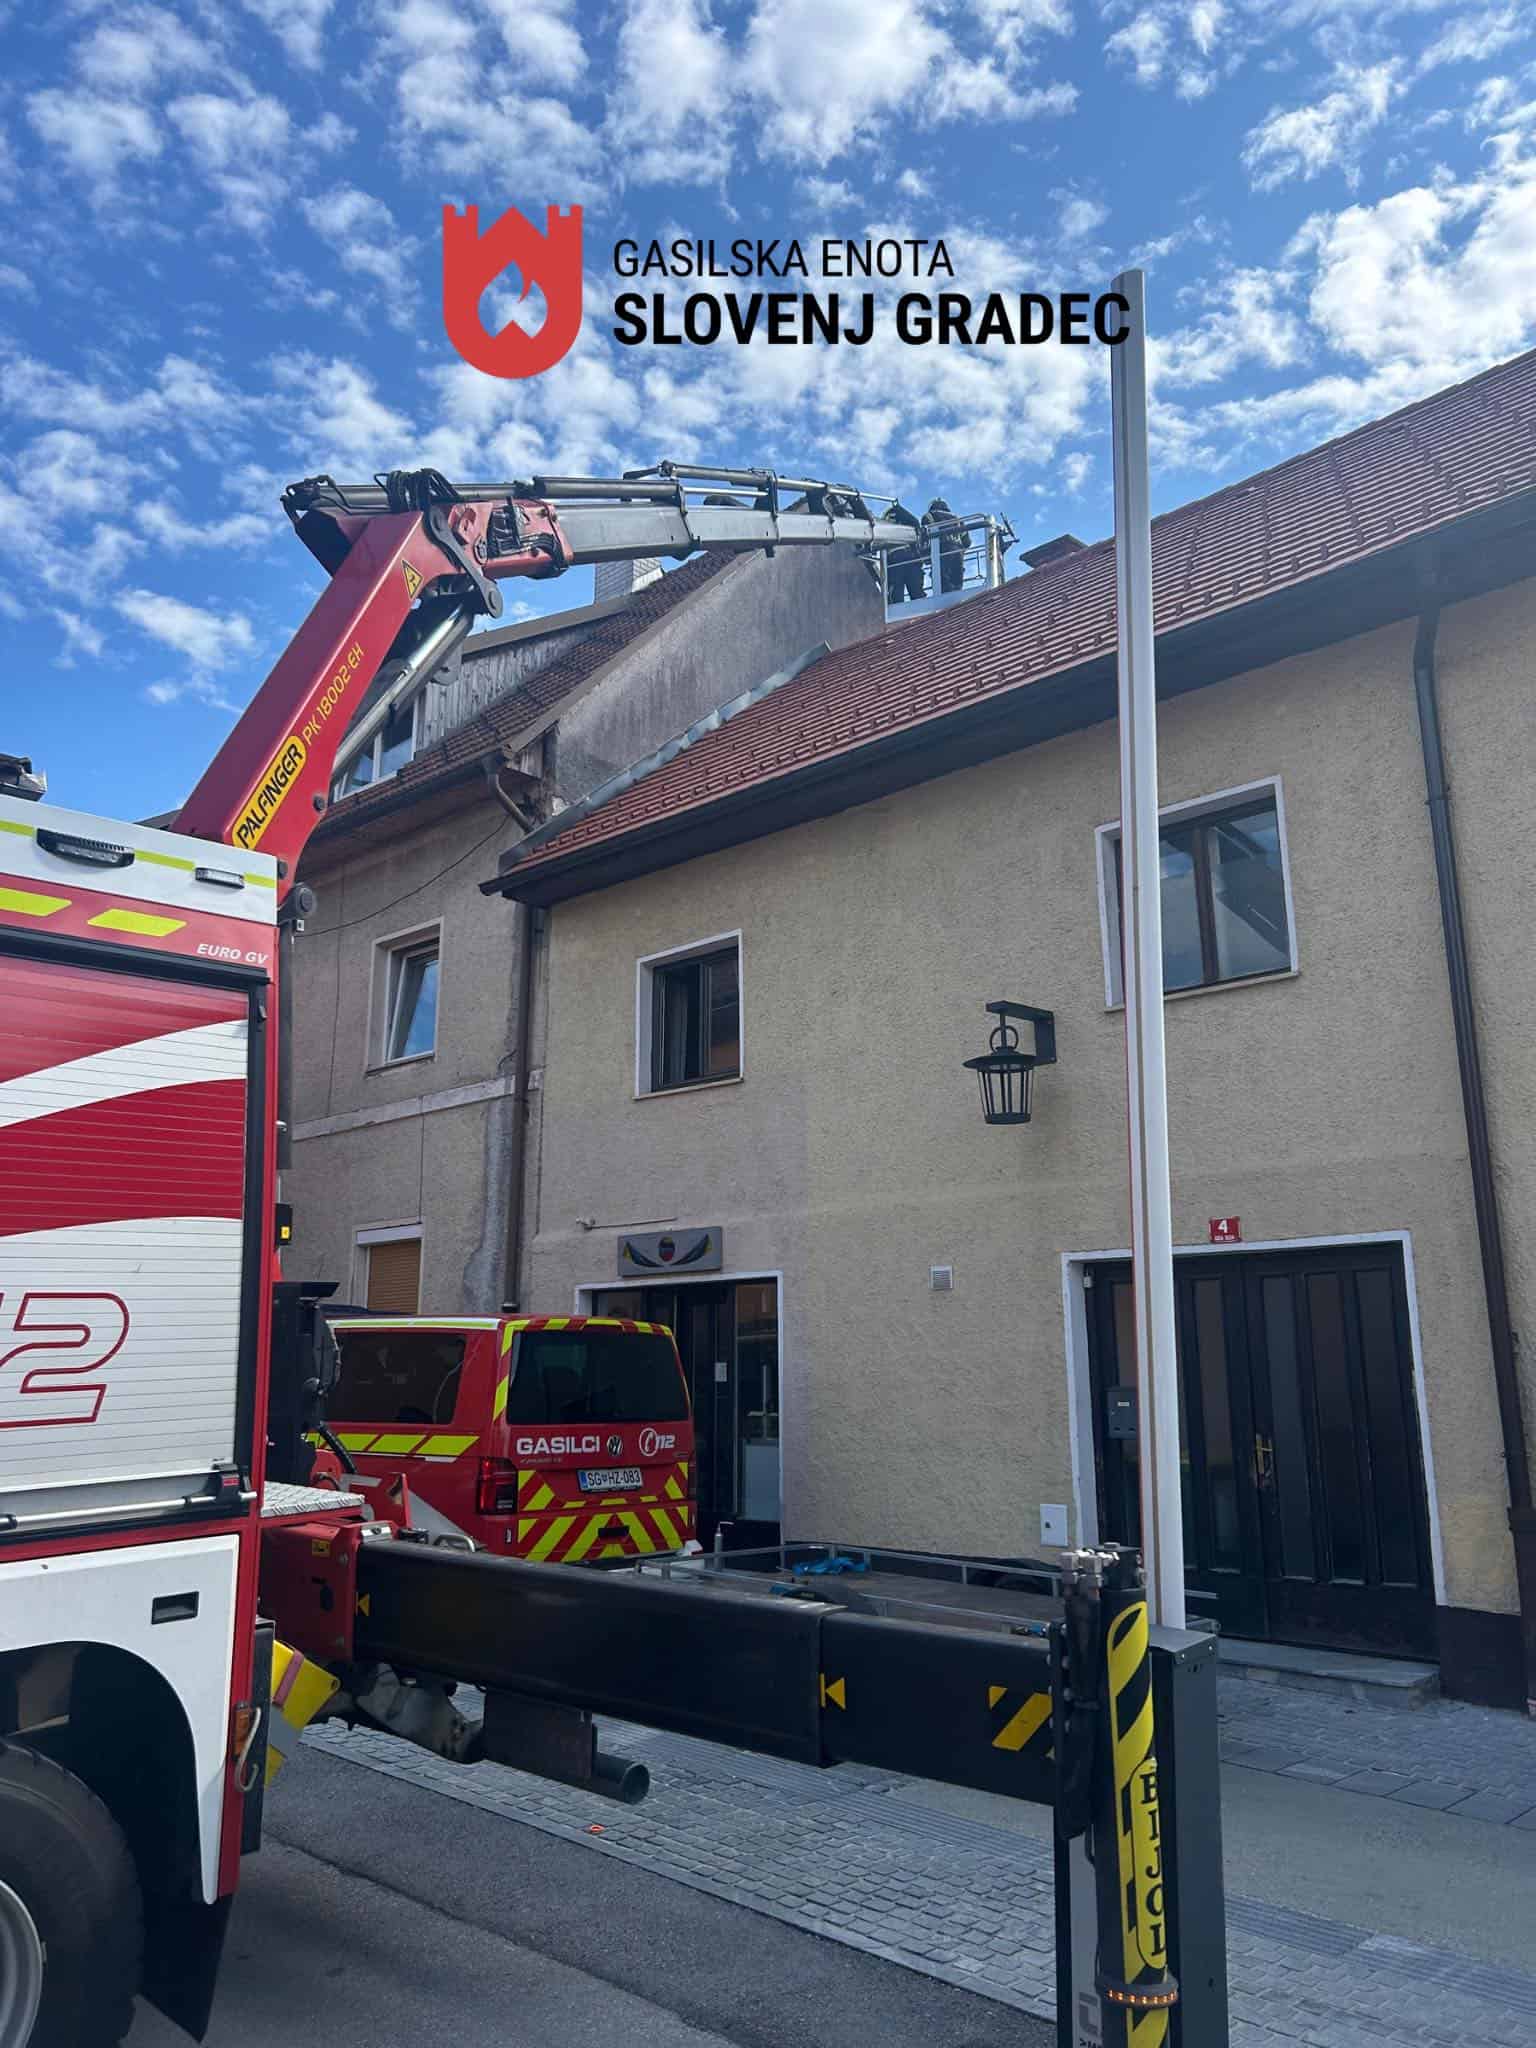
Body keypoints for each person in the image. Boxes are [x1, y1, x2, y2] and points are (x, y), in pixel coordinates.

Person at [884, 498, 925, 603]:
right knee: (917, 595)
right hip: (910, 558)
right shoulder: (907, 520)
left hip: (895, 561)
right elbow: (916, 524)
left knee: (896, 598)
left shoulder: (883, 525)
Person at [926, 497, 967, 593]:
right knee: (957, 589)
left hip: (941, 553)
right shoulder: (957, 519)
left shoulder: (928, 516)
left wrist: (926, 558)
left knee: (943, 588)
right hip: (958, 554)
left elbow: (925, 540)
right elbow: (967, 542)